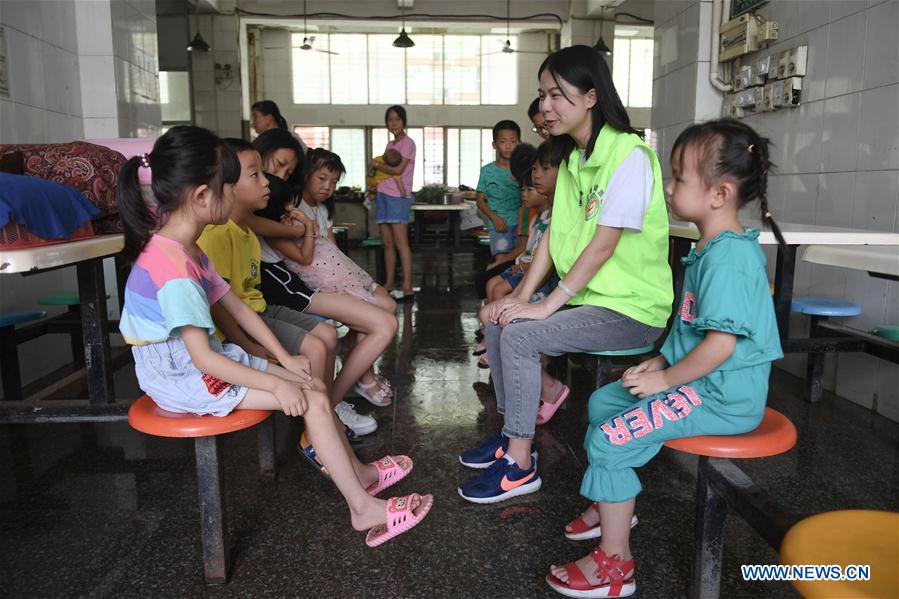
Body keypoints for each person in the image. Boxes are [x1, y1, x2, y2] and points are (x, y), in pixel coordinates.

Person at [117, 126, 432, 547]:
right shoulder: (172, 268)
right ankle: (362, 508)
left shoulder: (187, 248)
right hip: (179, 375)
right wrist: (275, 383)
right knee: (311, 396)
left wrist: (284, 361)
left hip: (202, 357)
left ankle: (360, 479)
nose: (235, 195)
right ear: (201, 196)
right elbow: (204, 361)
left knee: (310, 384)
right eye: (229, 184)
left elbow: (238, 306)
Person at [546, 119, 786, 598]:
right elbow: (695, 329)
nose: (670, 187)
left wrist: (668, 378)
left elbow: (721, 346)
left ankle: (616, 567)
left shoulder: (729, 259)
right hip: (696, 383)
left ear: (719, 194)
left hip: (720, 397)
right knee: (603, 405)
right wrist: (661, 363)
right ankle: (612, 503)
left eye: (678, 178)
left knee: (612, 441)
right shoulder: (709, 247)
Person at [458, 45, 673, 504]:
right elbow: (557, 239)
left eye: (557, 94)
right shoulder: (575, 160)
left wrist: (544, 306)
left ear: (591, 96)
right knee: (501, 318)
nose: (546, 107)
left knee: (521, 334)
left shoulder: (628, 154)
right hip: (591, 302)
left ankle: (519, 464)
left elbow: (604, 245)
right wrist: (523, 298)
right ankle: (512, 435)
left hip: (632, 309)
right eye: (542, 95)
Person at [245, 131, 383, 435]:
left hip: (280, 287)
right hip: (280, 287)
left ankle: (327, 408)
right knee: (366, 324)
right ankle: (326, 412)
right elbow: (297, 252)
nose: (273, 178)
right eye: (277, 165)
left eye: (288, 171)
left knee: (344, 329)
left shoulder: (284, 203)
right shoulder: (248, 215)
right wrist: (302, 229)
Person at [197, 139, 337, 396]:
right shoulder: (216, 234)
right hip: (240, 325)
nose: (266, 181)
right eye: (255, 175)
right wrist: (247, 344)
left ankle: (326, 409)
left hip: (258, 311)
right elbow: (218, 305)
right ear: (227, 184)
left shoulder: (248, 232)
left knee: (328, 334)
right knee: (316, 348)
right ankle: (315, 420)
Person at [259, 155, 399, 411]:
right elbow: (305, 256)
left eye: (333, 182)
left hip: (332, 278)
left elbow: (331, 250)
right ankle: (339, 397)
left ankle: (349, 378)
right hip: (307, 289)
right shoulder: (283, 214)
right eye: (322, 179)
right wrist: (305, 226)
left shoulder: (315, 210)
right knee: (384, 321)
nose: (328, 186)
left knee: (387, 309)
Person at [370, 105, 415, 301]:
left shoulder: (408, 143)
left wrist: (377, 164)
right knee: (387, 243)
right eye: (390, 120)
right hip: (382, 195)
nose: (393, 123)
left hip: (398, 197)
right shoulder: (390, 144)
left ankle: (407, 285)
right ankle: (388, 283)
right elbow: (384, 171)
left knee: (400, 242)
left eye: (397, 119)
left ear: (404, 121)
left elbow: (397, 171)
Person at [476, 120, 523, 257]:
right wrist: (494, 217)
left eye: (513, 141)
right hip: (498, 227)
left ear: (519, 143)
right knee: (501, 260)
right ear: (494, 145)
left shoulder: (524, 170)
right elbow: (480, 201)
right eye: (502, 142)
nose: (508, 146)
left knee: (521, 261)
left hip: (522, 226)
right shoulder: (487, 171)